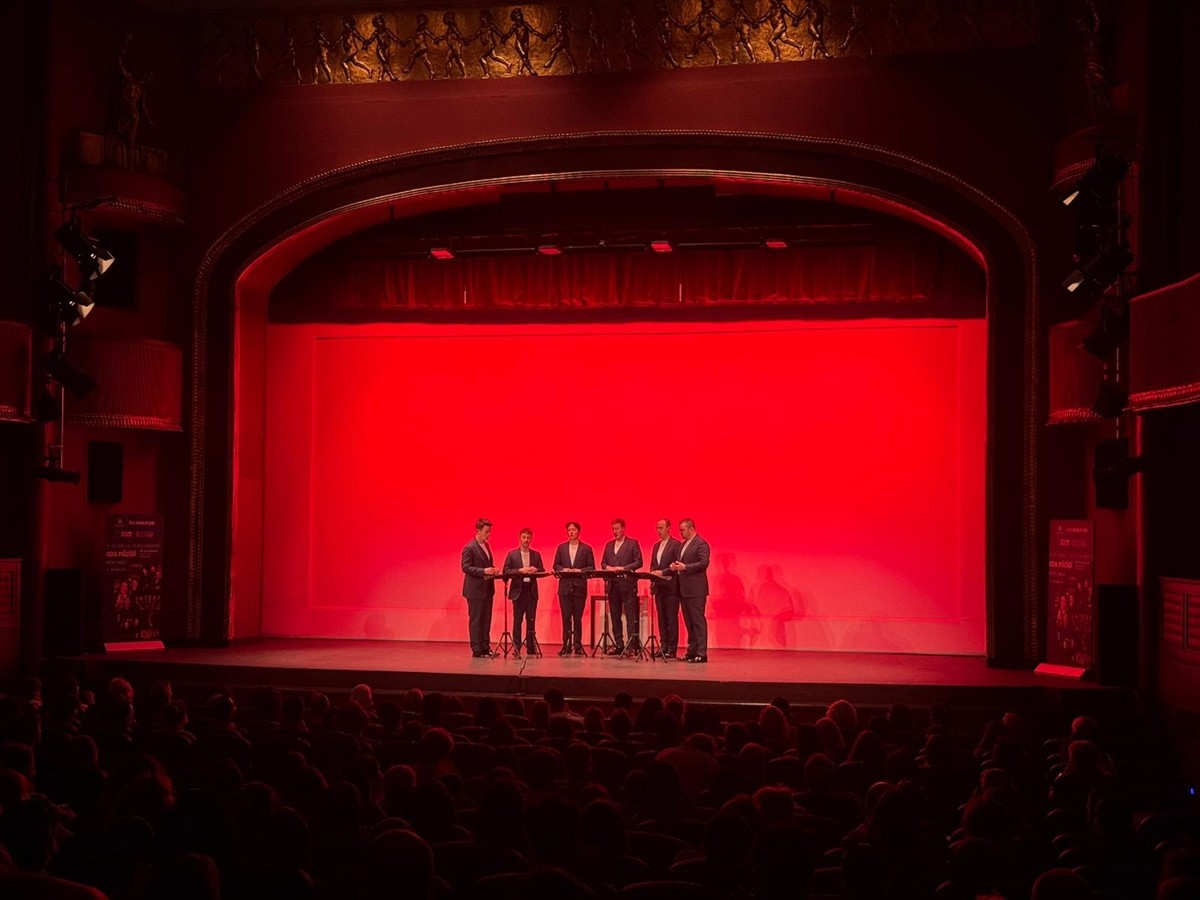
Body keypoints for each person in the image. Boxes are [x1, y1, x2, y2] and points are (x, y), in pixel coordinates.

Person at [670, 518, 710, 662]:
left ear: (691, 528)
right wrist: (675, 566)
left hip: (696, 589)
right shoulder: (683, 545)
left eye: (682, 530)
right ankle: (692, 651)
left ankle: (701, 653)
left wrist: (685, 567)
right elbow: (682, 562)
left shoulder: (701, 543)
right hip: (684, 589)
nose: (680, 533)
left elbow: (704, 563)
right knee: (689, 622)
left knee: (698, 621)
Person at [601, 518, 643, 656]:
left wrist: (624, 568)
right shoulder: (608, 545)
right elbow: (603, 563)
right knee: (615, 616)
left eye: (617, 529)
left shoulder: (632, 543)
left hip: (627, 585)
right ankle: (619, 644)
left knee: (631, 617)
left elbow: (639, 562)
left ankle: (632, 646)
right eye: (613, 529)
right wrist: (608, 568)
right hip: (613, 585)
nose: (615, 532)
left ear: (623, 528)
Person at [553, 521, 595, 656]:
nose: (571, 532)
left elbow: (591, 567)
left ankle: (577, 645)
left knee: (577, 618)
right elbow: (556, 565)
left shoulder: (586, 548)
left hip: (579, 588)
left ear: (579, 532)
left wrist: (579, 570)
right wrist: (563, 569)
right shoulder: (561, 548)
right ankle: (565, 644)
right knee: (566, 618)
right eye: (569, 530)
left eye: (574, 530)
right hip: (564, 588)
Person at [502, 528, 545, 657]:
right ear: (519, 538)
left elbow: (542, 569)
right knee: (517, 621)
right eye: (524, 537)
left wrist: (535, 569)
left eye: (528, 538)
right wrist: (520, 571)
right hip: (518, 592)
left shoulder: (536, 555)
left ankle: (531, 647)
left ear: (531, 539)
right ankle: (516, 646)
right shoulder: (512, 554)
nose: (526, 540)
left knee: (531, 620)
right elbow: (506, 571)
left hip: (531, 591)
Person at [460, 518, 499, 658]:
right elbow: (465, 567)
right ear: (478, 531)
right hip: (475, 591)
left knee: (486, 619)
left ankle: (485, 646)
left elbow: (487, 564)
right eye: (486, 531)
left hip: (487, 589)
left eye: (490, 531)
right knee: (476, 620)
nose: (489, 534)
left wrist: (492, 570)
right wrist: (484, 571)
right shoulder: (470, 547)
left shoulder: (486, 546)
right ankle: (476, 648)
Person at [649, 518, 682, 659]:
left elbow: (676, 565)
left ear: (669, 528)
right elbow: (653, 565)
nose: (658, 531)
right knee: (661, 619)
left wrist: (663, 573)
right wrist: (652, 577)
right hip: (659, 587)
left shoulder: (676, 545)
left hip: (671, 587)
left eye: (661, 528)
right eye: (657, 528)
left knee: (671, 618)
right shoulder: (656, 546)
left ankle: (672, 648)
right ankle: (663, 646)